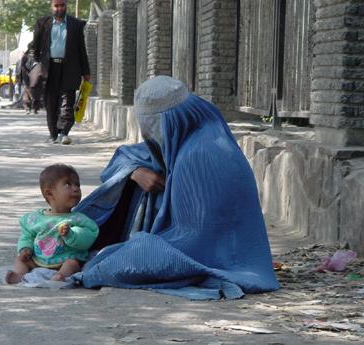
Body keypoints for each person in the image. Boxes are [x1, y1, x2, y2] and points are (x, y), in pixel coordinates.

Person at [74, 76, 280, 300]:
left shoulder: (201, 155)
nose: (148, 135)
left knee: (108, 265)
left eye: (150, 127)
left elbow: (193, 239)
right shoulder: (189, 134)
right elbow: (127, 156)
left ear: (164, 122)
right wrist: (136, 172)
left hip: (210, 253)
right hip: (192, 242)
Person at [5, 164, 99, 284]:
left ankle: (60, 277)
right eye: (68, 184)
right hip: (38, 261)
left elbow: (88, 237)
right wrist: (25, 248)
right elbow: (27, 235)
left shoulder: (78, 219)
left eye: (77, 185)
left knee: (73, 264)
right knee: (20, 259)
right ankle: (19, 276)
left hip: (64, 261)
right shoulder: (36, 218)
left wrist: (71, 234)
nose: (75, 189)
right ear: (49, 194)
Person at [28, 0, 90, 145]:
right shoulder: (43, 24)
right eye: (56, 6)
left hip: (70, 68)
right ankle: (53, 133)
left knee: (68, 101)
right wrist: (36, 63)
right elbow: (35, 47)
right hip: (49, 69)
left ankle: (64, 132)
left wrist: (86, 71)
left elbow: (82, 50)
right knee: (51, 102)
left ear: (66, 6)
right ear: (52, 7)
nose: (59, 8)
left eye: (62, 5)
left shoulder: (76, 25)